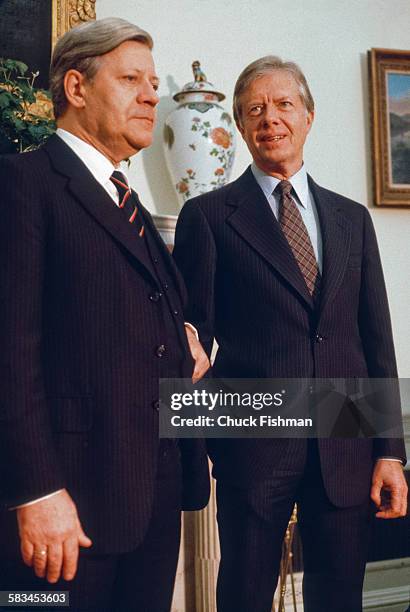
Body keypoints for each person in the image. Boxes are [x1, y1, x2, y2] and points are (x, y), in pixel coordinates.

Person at [173, 56, 408, 612]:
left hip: (346, 437)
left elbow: (376, 335)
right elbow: (189, 337)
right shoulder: (207, 216)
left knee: (339, 597)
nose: (270, 119)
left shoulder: (353, 219)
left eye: (283, 105)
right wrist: (192, 441)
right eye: (254, 109)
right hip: (253, 436)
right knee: (243, 596)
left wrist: (390, 452)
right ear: (238, 124)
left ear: (308, 117)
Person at [0, 17, 210, 612]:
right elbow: (9, 353)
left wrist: (183, 331)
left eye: (152, 81)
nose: (152, 95)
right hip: (65, 514)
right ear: (76, 87)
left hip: (149, 502)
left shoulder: (130, 203)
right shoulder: (21, 185)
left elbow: (121, 309)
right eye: (131, 79)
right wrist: (35, 492)